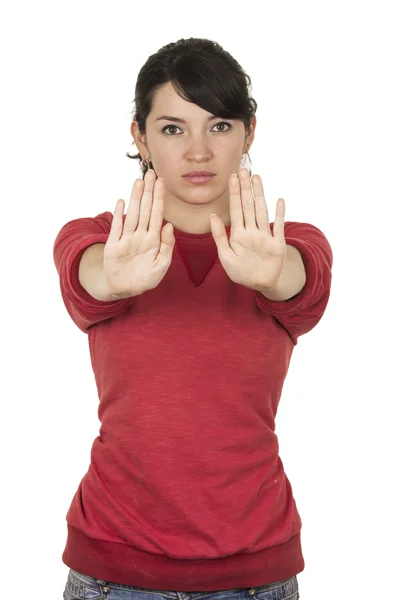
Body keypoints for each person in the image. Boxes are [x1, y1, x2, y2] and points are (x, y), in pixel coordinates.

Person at [55, 37, 333, 599]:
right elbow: (85, 279)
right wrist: (113, 279)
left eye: (220, 126)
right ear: (140, 136)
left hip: (255, 574)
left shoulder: (292, 246)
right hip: (114, 572)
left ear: (249, 132)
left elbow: (301, 284)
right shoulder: (96, 240)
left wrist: (273, 274)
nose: (199, 152)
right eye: (173, 128)